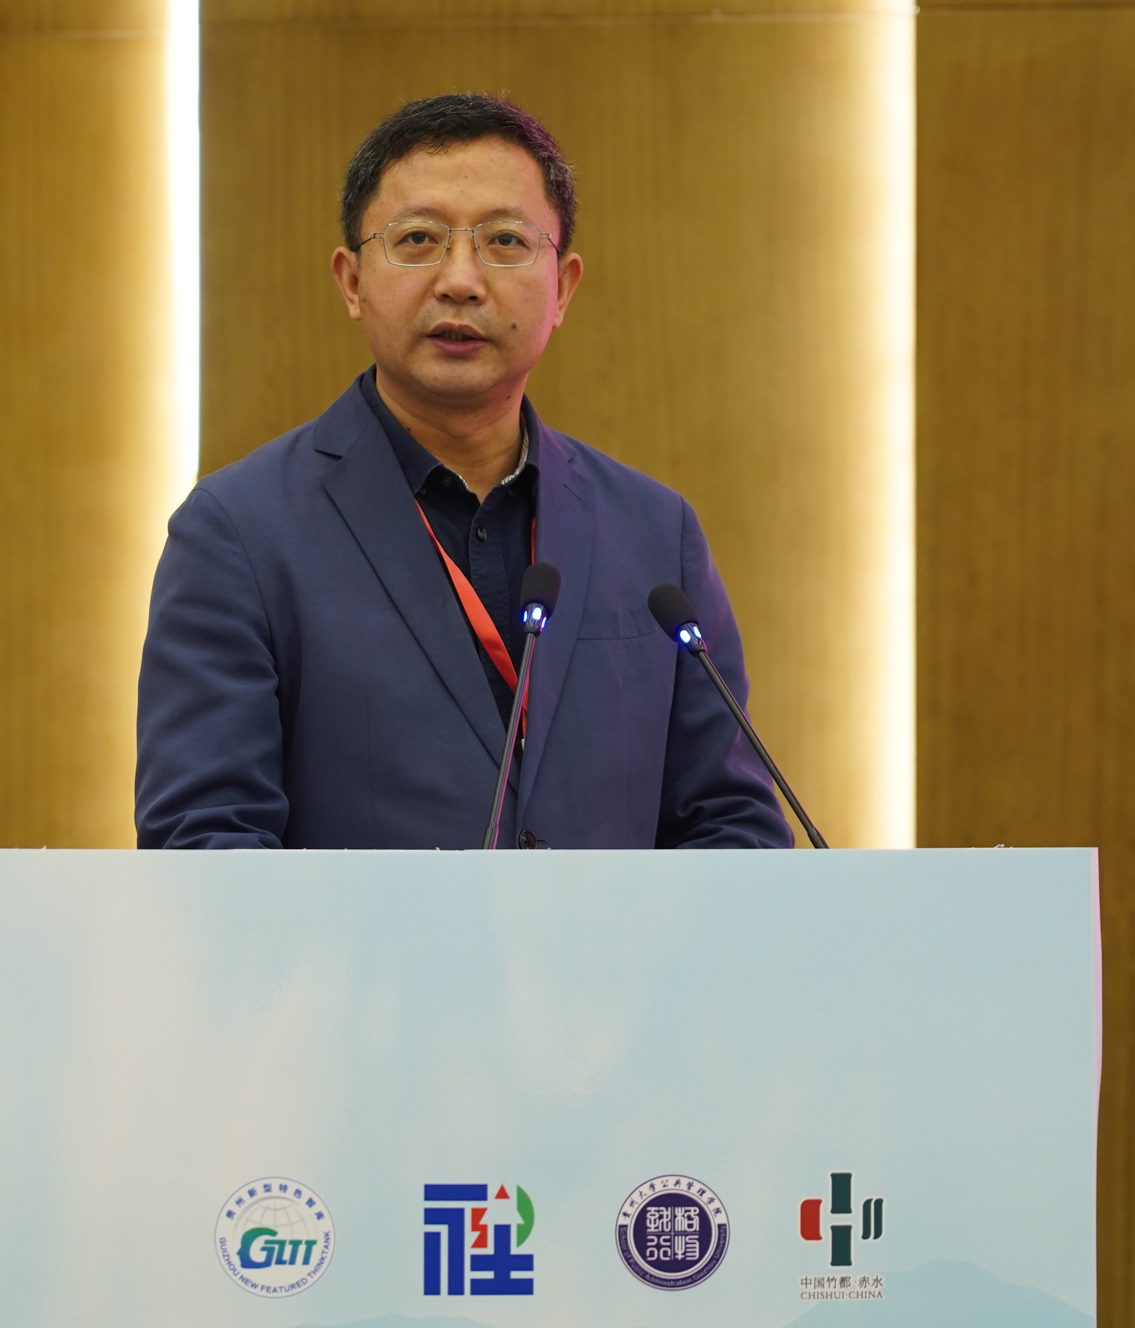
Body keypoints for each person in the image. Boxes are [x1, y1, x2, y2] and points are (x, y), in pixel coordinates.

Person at [136, 94, 791, 849]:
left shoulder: (654, 533)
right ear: (352, 282)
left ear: (563, 288)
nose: (460, 280)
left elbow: (731, 823)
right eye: (418, 239)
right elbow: (205, 843)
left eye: (505, 241)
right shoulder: (238, 534)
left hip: (611, 937)